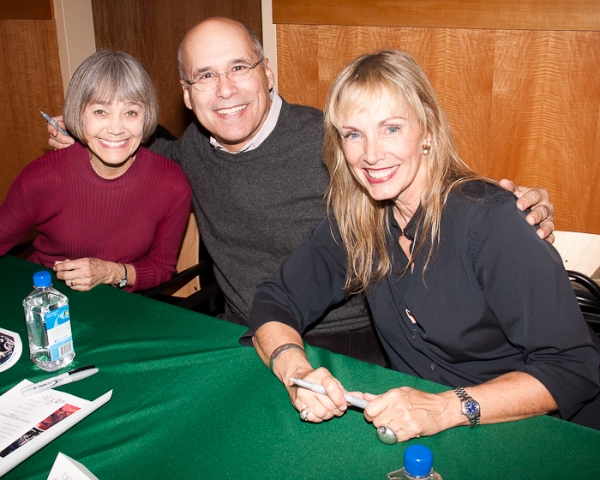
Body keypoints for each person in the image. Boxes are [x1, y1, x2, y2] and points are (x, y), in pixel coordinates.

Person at [47, 18, 555, 365]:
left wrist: (517, 205)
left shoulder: (334, 139)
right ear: (186, 94)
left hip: (354, 338)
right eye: (205, 76)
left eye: (238, 68)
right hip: (244, 332)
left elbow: (420, 171)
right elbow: (132, 143)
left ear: (268, 72)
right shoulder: (191, 153)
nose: (224, 89)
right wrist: (86, 133)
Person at [246, 50, 600, 436]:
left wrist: (447, 408)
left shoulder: (491, 221)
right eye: (353, 134)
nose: (371, 154)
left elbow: (575, 367)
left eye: (391, 128)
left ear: (427, 131)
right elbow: (276, 299)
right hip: (437, 435)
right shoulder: (358, 220)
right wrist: (297, 373)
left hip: (543, 433)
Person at [1, 50, 192, 292]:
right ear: (78, 115)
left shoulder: (172, 184)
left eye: (130, 112)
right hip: (45, 300)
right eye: (100, 111)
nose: (115, 128)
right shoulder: (41, 177)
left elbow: (161, 268)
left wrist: (112, 272)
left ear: (146, 117)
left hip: (118, 309)